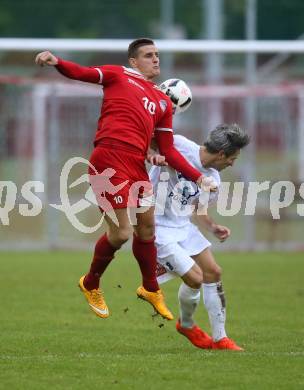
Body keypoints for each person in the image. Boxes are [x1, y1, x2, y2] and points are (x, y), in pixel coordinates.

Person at [35, 38, 214, 321]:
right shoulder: (119, 75)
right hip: (109, 158)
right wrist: (57, 63)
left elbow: (167, 150)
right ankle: (91, 282)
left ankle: (150, 288)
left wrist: (198, 177)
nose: (155, 59)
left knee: (147, 229)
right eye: (148, 55)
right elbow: (82, 72)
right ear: (134, 61)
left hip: (135, 165)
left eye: (156, 55)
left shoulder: (162, 102)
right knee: (121, 233)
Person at [150, 123, 250, 350]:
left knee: (213, 271)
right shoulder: (179, 145)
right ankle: (186, 325)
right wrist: (153, 156)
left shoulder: (213, 178)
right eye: (232, 158)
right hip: (156, 225)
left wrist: (213, 228)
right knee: (196, 278)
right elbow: (148, 140)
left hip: (182, 225)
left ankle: (221, 338)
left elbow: (199, 210)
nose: (232, 163)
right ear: (222, 154)